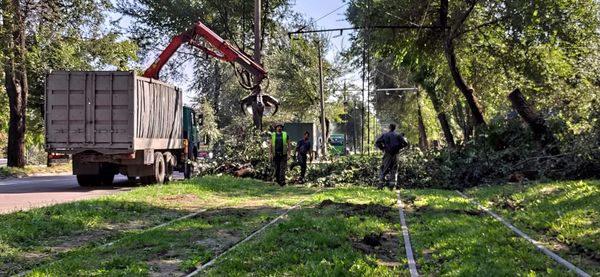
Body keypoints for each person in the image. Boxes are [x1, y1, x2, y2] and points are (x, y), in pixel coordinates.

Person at [375, 124, 409, 190]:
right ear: (395, 128)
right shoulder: (398, 136)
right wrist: (399, 147)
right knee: (394, 170)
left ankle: (380, 185)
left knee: (384, 169)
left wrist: (383, 148)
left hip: (387, 154)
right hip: (395, 154)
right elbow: (405, 143)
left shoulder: (385, 135)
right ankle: (392, 186)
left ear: (389, 128)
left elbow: (377, 142)